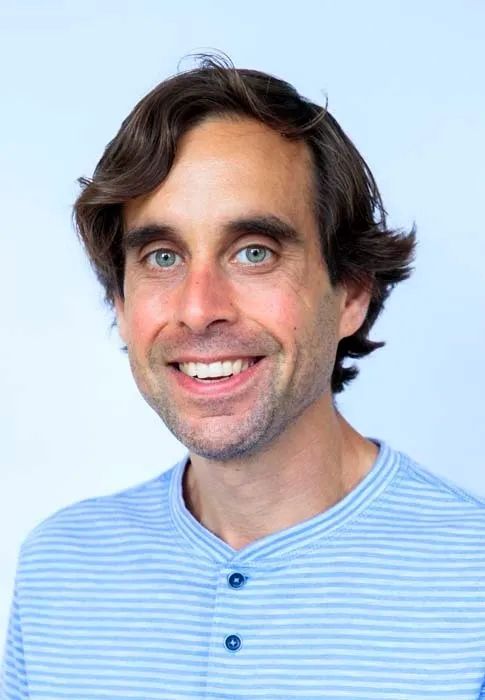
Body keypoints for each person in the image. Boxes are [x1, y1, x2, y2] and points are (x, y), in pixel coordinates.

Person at [2, 53, 485, 699]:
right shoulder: (60, 567)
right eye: (162, 256)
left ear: (350, 294)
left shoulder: (470, 576)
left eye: (253, 252)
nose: (199, 308)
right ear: (120, 304)